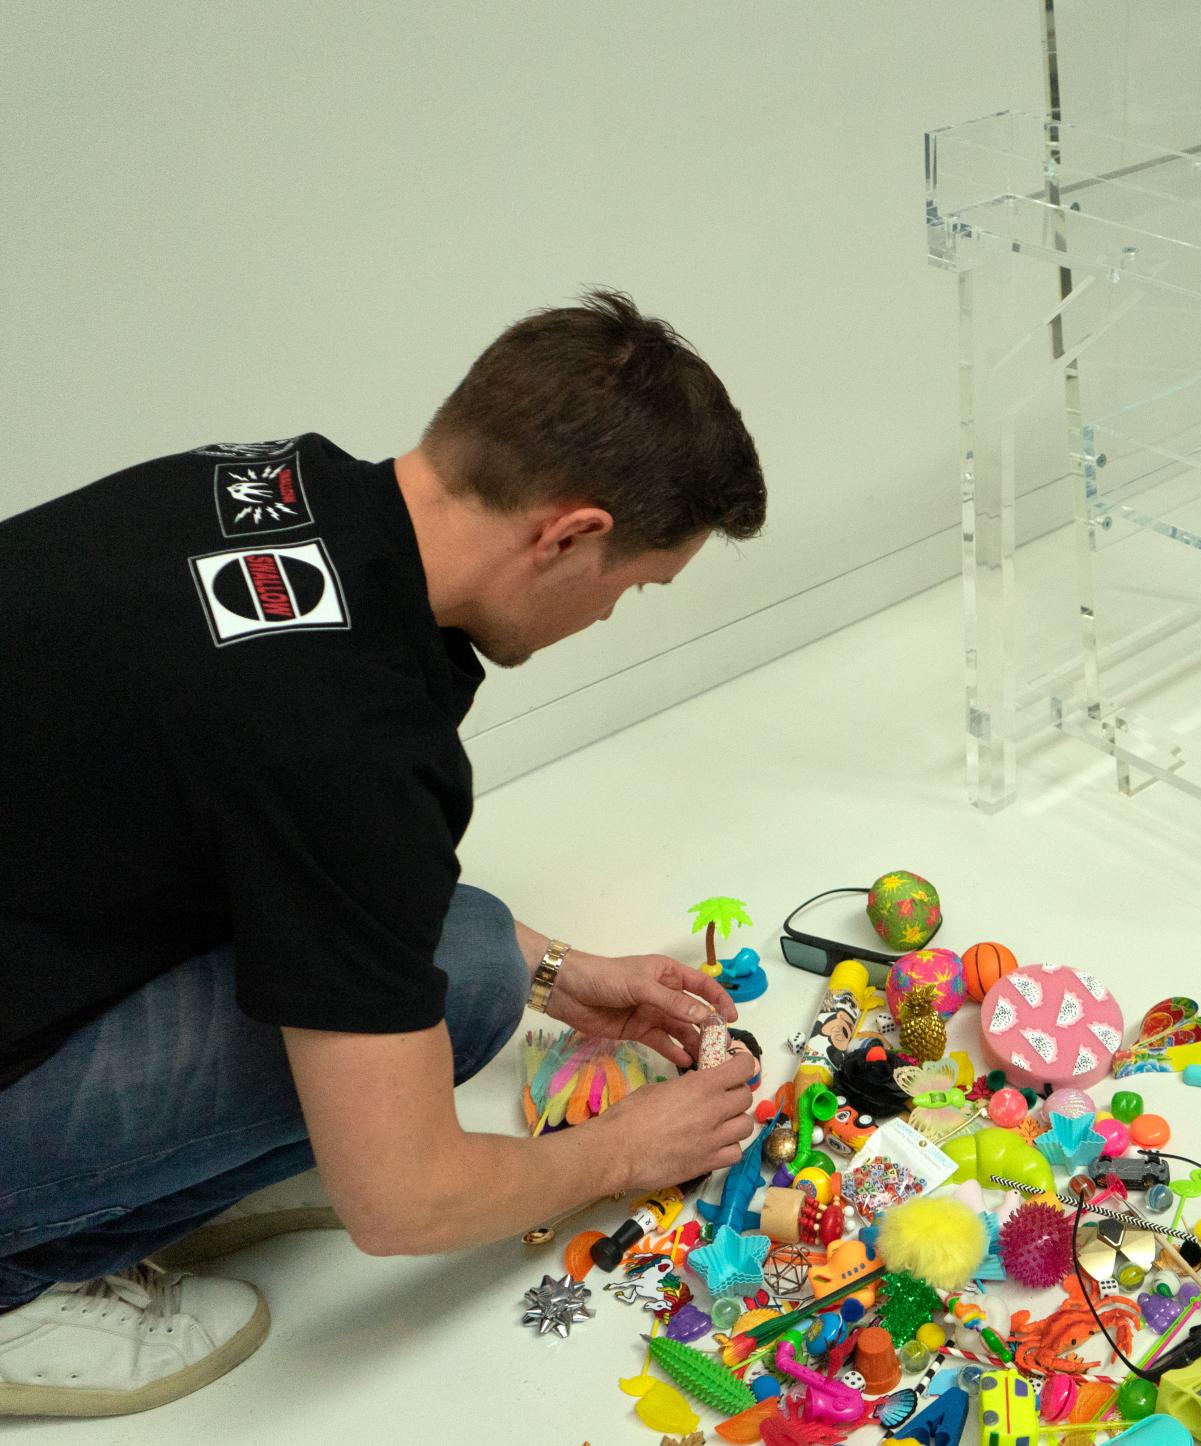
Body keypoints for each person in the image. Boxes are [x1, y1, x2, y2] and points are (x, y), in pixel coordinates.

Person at [0, 290, 767, 1417]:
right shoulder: (349, 735)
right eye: (633, 587)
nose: (610, 618)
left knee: (478, 944)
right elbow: (401, 1200)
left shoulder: (267, 480)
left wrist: (565, 971)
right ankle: (22, 1283)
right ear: (569, 535)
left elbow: (264, 816)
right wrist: (621, 1154)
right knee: (461, 989)